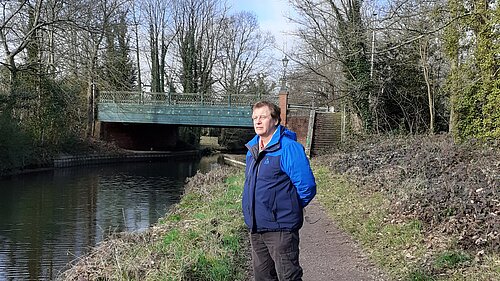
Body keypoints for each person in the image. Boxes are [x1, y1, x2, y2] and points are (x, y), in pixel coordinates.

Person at [242, 100, 316, 281]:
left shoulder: (289, 148)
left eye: (263, 117)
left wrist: (287, 208)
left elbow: (307, 187)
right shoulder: (252, 150)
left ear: (275, 120)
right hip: (256, 228)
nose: (258, 122)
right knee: (263, 277)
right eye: (255, 118)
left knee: (288, 277)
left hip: (281, 229)